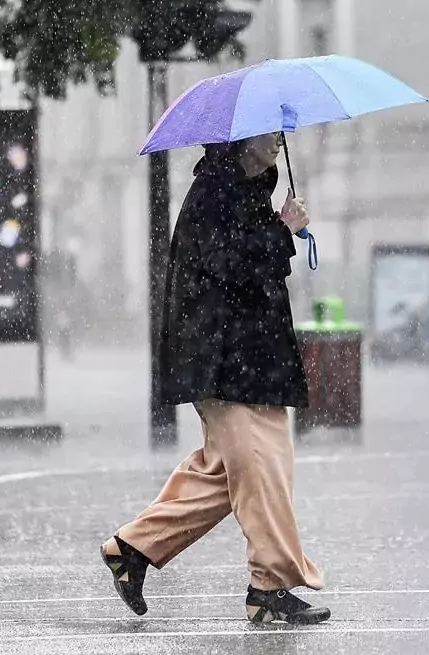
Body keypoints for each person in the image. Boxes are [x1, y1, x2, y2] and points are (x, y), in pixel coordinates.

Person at [99, 132, 330, 625]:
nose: (279, 144)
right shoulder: (213, 194)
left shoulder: (246, 192)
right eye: (271, 135)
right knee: (259, 469)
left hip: (251, 361)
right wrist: (282, 230)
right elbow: (230, 267)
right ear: (243, 142)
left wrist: (278, 227)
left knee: (228, 474)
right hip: (225, 363)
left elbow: (248, 264)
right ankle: (269, 586)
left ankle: (133, 549)